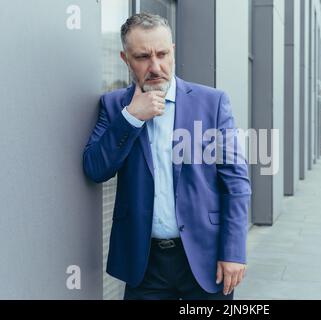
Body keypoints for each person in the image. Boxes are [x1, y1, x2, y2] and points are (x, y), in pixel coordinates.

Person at [83, 12, 251, 300]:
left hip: (205, 257)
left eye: (162, 53)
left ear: (172, 51)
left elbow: (236, 182)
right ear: (126, 59)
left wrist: (234, 251)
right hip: (144, 263)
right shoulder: (113, 107)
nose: (155, 66)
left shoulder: (212, 103)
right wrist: (131, 118)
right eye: (142, 57)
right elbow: (95, 168)